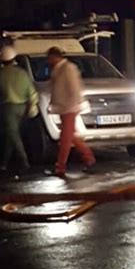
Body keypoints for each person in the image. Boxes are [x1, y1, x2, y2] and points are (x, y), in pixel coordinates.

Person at [47, 46, 96, 177]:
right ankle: (89, 159)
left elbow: (74, 88)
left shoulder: (67, 68)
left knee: (65, 138)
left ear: (54, 57)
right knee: (70, 136)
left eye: (49, 58)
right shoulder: (62, 68)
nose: (48, 61)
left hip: (68, 107)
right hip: (66, 107)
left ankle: (60, 167)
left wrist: (74, 104)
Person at [0, 45, 39, 174]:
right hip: (23, 107)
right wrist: (32, 105)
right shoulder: (22, 73)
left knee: (13, 135)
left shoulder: (1, 74)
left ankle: (24, 162)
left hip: (8, 108)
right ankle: (4, 163)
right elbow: (32, 92)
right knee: (12, 136)